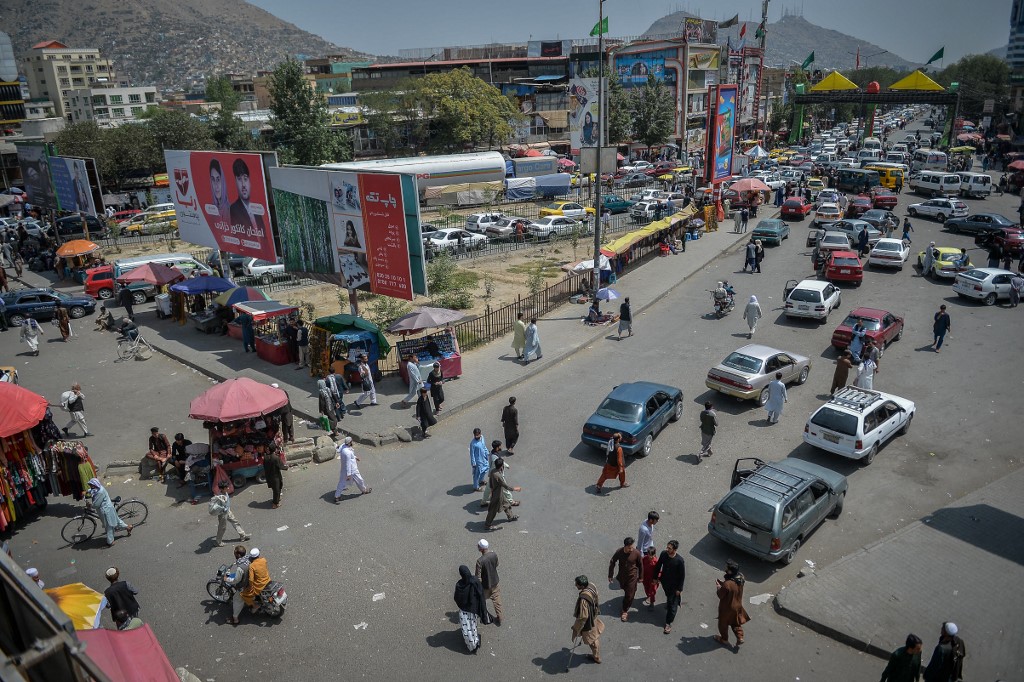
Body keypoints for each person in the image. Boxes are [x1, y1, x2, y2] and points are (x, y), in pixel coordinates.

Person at [454, 565, 490, 653]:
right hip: (473, 610)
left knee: (466, 629)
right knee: (473, 625)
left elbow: (457, 598)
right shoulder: (475, 581)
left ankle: (471, 646)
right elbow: (481, 594)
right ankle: (476, 641)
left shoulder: (459, 585)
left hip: (464, 611)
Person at [714, 559, 750, 648]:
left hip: (727, 608)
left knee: (723, 623)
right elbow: (732, 587)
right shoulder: (741, 577)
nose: (725, 569)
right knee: (735, 622)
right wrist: (723, 583)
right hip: (738, 605)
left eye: (727, 568)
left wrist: (718, 586)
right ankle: (740, 637)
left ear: (730, 571)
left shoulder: (727, 584)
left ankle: (724, 639)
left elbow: (720, 595)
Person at [654, 540, 686, 634]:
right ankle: (672, 601)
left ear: (675, 550)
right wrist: (655, 578)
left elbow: (682, 576)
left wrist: (679, 589)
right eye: (667, 547)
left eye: (669, 548)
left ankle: (668, 623)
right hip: (665, 582)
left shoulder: (679, 561)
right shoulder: (664, 554)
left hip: (674, 586)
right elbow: (658, 565)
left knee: (672, 605)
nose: (667, 549)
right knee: (669, 597)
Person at [571, 576, 605, 664]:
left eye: (577, 584)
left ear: (582, 586)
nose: (575, 585)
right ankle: (596, 655)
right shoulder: (592, 586)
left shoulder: (584, 599)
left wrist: (579, 627)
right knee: (594, 637)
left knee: (592, 640)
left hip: (589, 622)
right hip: (594, 615)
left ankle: (596, 657)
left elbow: (584, 616)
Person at [608, 537, 642, 622]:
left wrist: (641, 577)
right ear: (625, 546)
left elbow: (640, 565)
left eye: (632, 547)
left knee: (629, 595)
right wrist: (610, 575)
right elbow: (613, 561)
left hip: (632, 577)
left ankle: (624, 610)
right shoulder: (619, 552)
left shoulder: (636, 553)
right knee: (626, 590)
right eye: (629, 548)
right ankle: (630, 593)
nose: (631, 549)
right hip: (622, 576)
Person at [89, 479, 132, 547]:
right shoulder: (98, 488)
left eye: (92, 485)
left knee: (108, 526)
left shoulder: (100, 492)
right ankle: (128, 527)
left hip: (106, 511)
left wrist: (90, 505)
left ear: (95, 485)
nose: (91, 487)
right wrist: (87, 492)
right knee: (116, 521)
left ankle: (110, 541)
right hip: (108, 508)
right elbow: (92, 490)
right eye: (90, 485)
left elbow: (95, 505)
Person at [228, 158, 266, 232]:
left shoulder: (256, 208)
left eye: (245, 179)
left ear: (249, 181)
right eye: (239, 179)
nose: (243, 185)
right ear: (235, 182)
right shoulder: (234, 209)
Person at [484, 457, 520, 531]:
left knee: (506, 504)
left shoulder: (493, 471)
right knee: (493, 511)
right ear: (501, 466)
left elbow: (490, 482)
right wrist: (515, 489)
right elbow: (505, 486)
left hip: (499, 493)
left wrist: (491, 490)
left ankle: (510, 516)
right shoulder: (498, 475)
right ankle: (487, 524)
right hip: (497, 496)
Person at [211, 480, 250, 547]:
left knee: (235, 522)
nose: (228, 488)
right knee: (222, 528)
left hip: (228, 511)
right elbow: (217, 507)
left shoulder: (225, 492)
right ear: (222, 489)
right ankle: (218, 542)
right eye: (226, 487)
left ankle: (243, 535)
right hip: (223, 514)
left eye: (227, 487)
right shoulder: (220, 497)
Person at [334, 435, 371, 500]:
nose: (352, 442)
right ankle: (364, 490)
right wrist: (349, 474)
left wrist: (355, 457)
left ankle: (337, 496)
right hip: (352, 470)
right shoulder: (347, 452)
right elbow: (348, 463)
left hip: (344, 469)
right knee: (360, 480)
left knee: (342, 482)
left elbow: (341, 451)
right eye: (351, 441)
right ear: (349, 443)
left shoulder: (343, 446)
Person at [475, 539, 503, 626]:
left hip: (485, 586)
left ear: (481, 549)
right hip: (495, 582)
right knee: (497, 602)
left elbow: (478, 577)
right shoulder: (494, 555)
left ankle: (483, 615)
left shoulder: (480, 561)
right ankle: (500, 617)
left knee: (481, 600)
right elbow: (497, 564)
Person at [224, 544, 251, 625]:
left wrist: (227, 579)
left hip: (244, 586)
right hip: (251, 580)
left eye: (235, 553)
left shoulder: (240, 568)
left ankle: (235, 619)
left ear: (238, 555)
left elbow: (236, 580)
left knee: (237, 600)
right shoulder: (248, 558)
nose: (234, 555)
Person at [240, 547, 271, 613]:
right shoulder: (263, 560)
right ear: (258, 555)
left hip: (259, 586)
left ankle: (255, 606)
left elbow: (251, 579)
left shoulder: (252, 566)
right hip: (268, 580)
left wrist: (250, 588)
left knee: (243, 594)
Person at [263, 443, 285, 509]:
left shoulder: (266, 457)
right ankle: (275, 504)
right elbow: (281, 466)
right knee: (277, 490)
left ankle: (277, 499)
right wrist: (286, 467)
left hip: (269, 476)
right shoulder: (275, 458)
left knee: (274, 488)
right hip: (275, 476)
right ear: (274, 449)